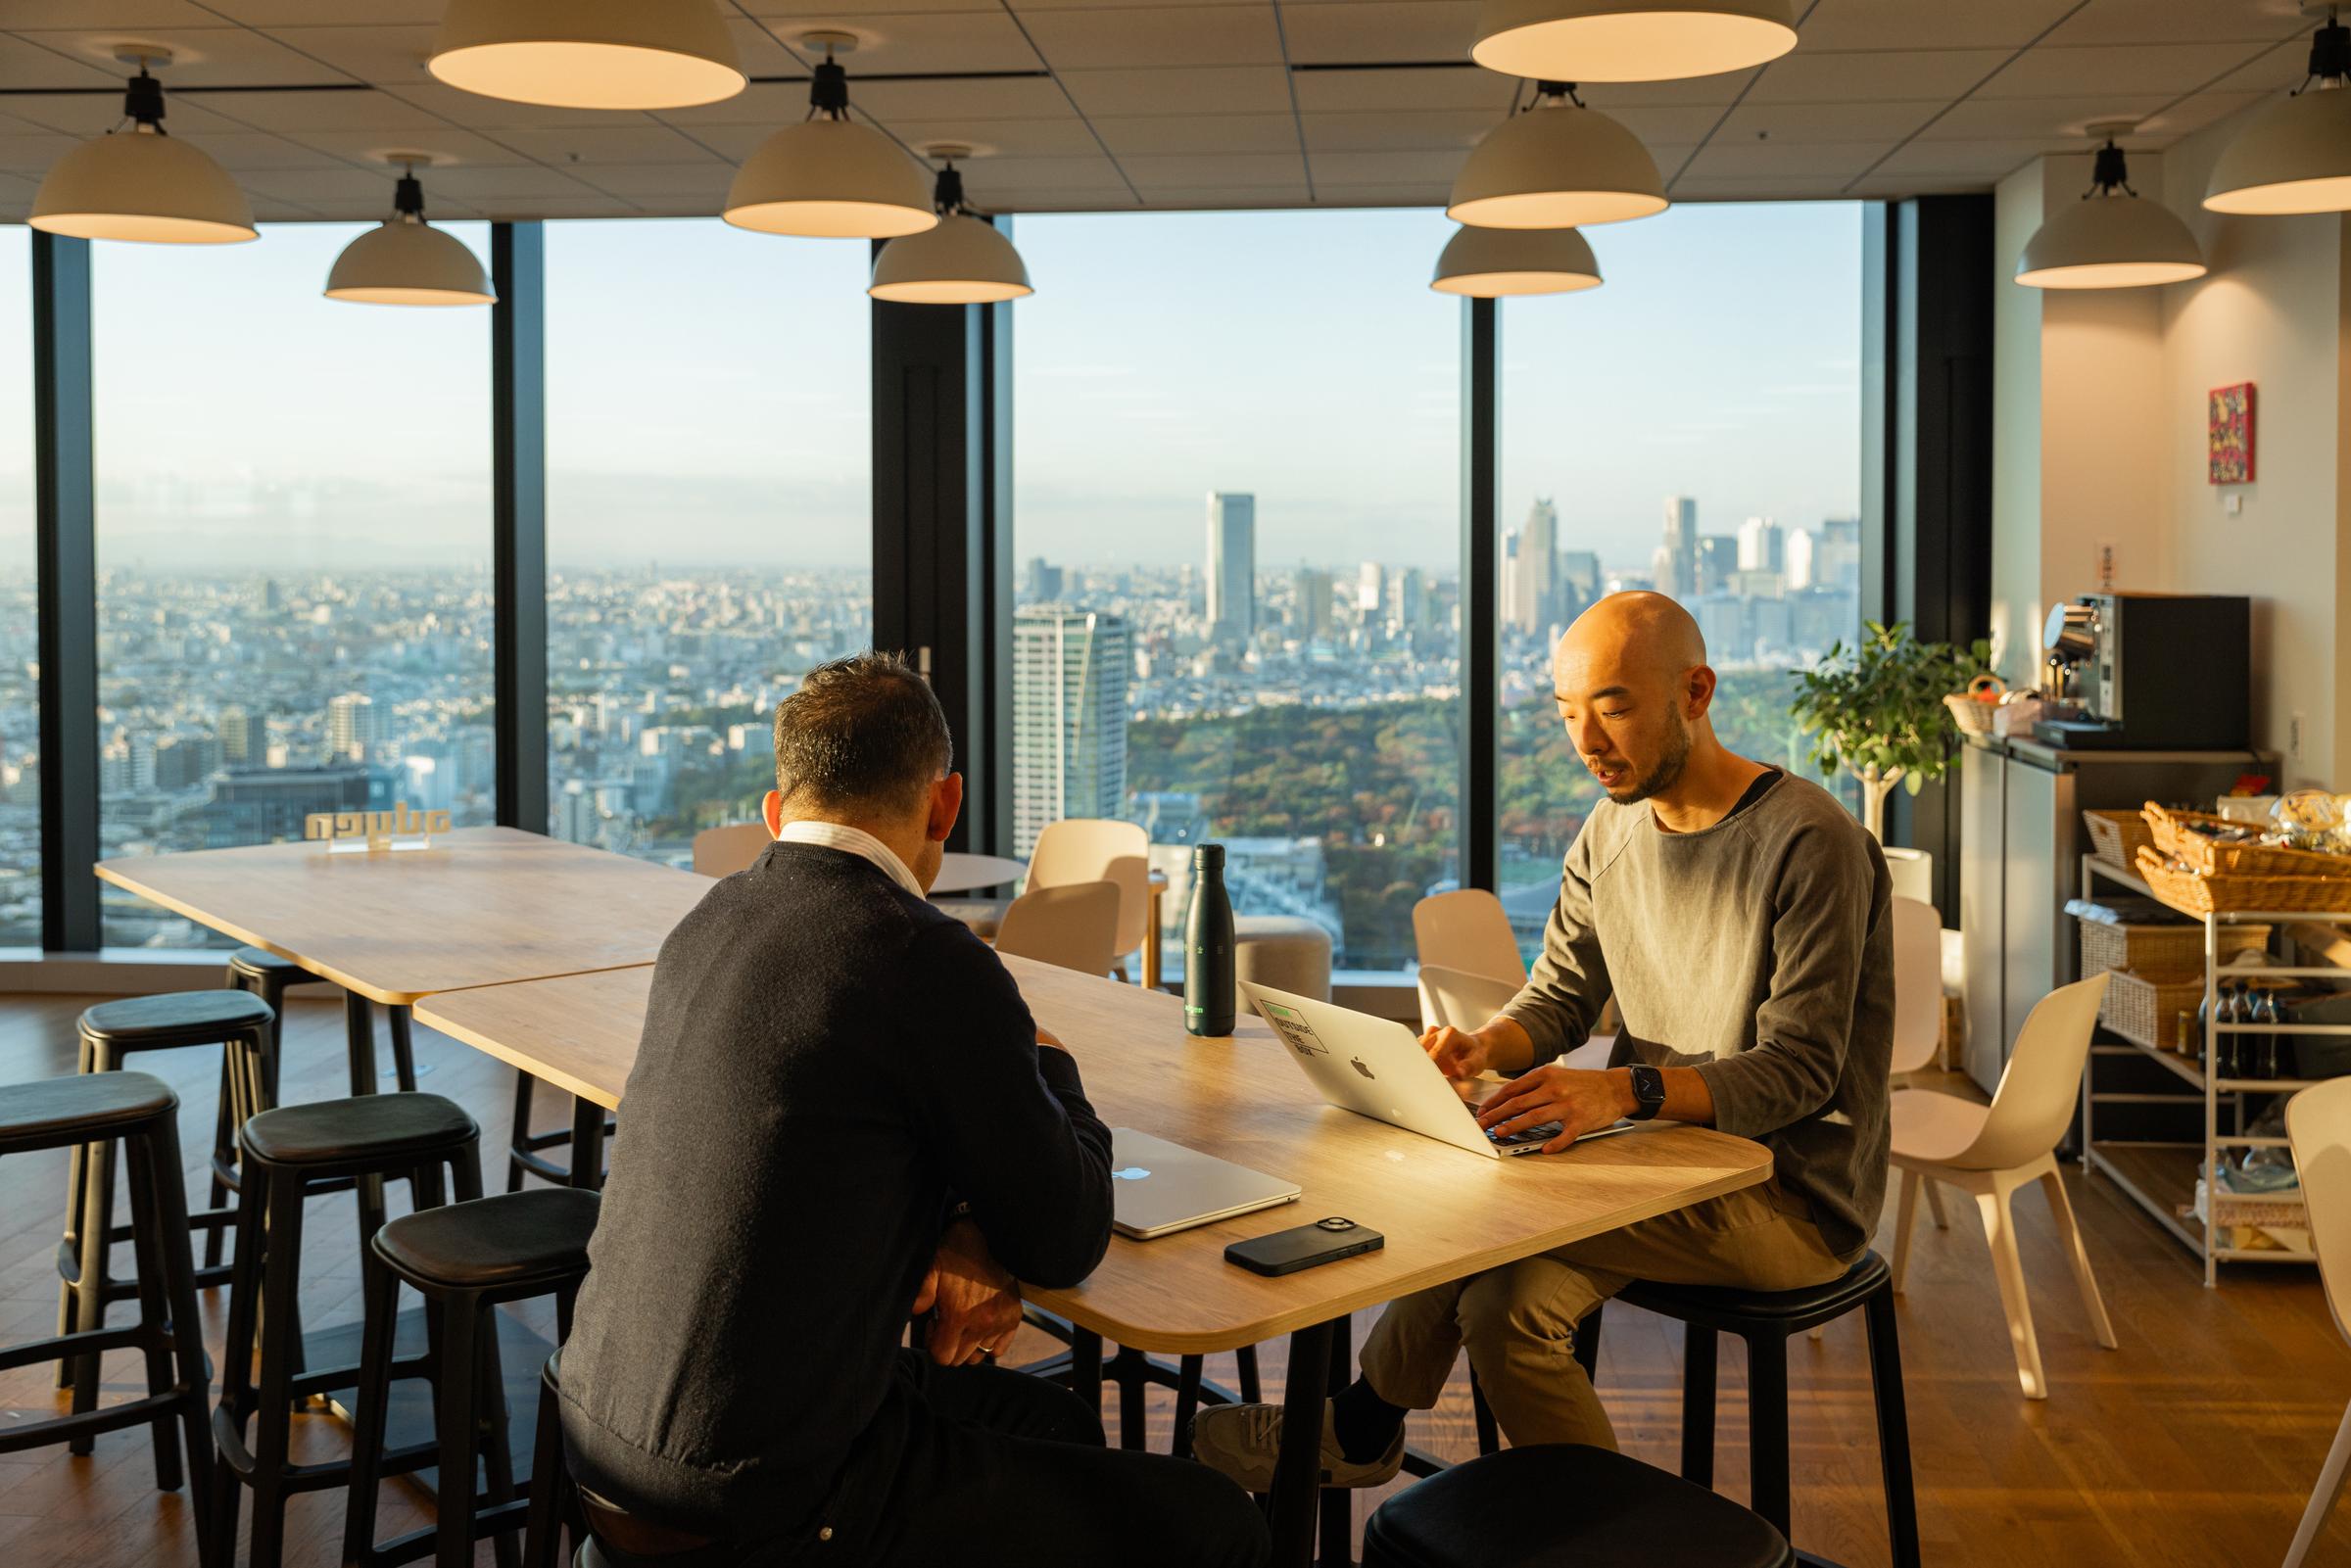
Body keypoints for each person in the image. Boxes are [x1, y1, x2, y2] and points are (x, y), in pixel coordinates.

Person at [559, 651, 1269, 1567]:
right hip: (773, 1491)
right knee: (1222, 1527)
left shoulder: (705, 927)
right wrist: (1055, 1065)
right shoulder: (925, 959)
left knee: (1047, 1419)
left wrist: (963, 1224)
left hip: (599, 1440)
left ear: (777, 812)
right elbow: (1066, 1235)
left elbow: (833, 1148)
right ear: (945, 804)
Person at [1193, 591, 1893, 1488]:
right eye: (1568, 714)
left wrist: (1619, 1093)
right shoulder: (1610, 830)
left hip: (1790, 1193)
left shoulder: (1811, 840)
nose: (1587, 742)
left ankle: (1360, 1424)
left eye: (1613, 706)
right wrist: (1482, 1046)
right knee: (1502, 1306)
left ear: (1697, 692)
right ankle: (1608, 1543)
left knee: (1489, 1207)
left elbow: (1801, 1070)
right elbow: (1562, 997)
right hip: (1661, 1162)